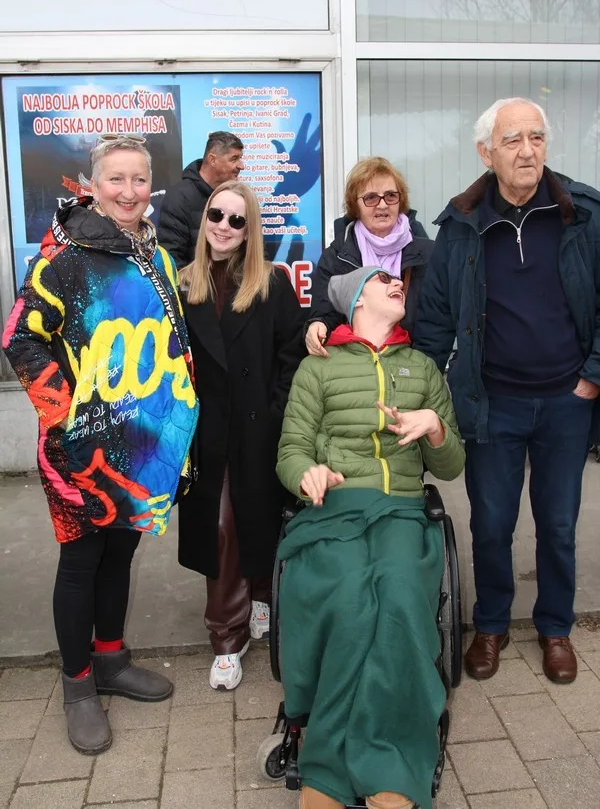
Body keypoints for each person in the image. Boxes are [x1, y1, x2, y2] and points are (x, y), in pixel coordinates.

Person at [2, 135, 199, 754]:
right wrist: (65, 412)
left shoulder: (156, 257)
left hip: (138, 443)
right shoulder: (63, 258)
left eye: (139, 179)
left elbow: (173, 342)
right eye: (116, 179)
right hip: (76, 450)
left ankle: (111, 659)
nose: (128, 191)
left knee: (121, 553)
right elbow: (19, 338)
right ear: (93, 186)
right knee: (82, 561)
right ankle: (78, 684)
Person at [414, 97, 600, 685]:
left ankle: (555, 628)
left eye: (536, 138)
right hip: (492, 402)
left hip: (566, 402)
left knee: (559, 523)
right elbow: (434, 321)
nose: (527, 151)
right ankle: (491, 625)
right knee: (491, 523)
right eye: (513, 140)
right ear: (485, 152)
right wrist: (426, 397)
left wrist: (592, 377)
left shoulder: (583, 215)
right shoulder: (460, 226)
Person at [277, 266, 465, 809]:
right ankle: (330, 761)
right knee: (348, 596)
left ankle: (388, 764)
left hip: (402, 509)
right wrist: (307, 474)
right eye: (383, 279)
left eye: (399, 278)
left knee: (400, 595)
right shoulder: (319, 367)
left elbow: (451, 466)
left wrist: (434, 428)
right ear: (356, 298)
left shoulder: (422, 367)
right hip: (336, 507)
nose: (397, 281)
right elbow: (291, 450)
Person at [177, 180, 305, 691]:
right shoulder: (182, 284)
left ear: (250, 229)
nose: (224, 227)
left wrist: (274, 413)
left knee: (259, 518)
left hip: (256, 427)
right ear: (204, 218)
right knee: (221, 528)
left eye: (237, 219)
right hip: (206, 431)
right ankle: (226, 636)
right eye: (216, 215)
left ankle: (261, 598)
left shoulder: (271, 283)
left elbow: (292, 354)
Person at [305, 157, 432, 356]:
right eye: (371, 198)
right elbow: (325, 313)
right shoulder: (336, 257)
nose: (382, 205)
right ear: (355, 206)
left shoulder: (429, 254)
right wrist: (318, 325)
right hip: (356, 366)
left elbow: (439, 321)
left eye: (390, 196)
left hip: (414, 365)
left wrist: (422, 364)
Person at [158, 131, 244, 268]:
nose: (241, 166)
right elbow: (172, 260)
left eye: (240, 158)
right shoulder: (178, 198)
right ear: (213, 160)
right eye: (234, 159)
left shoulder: (240, 196)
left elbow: (256, 249)